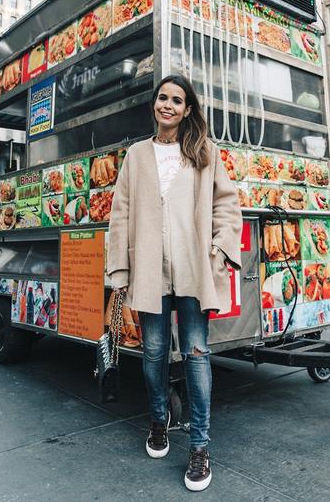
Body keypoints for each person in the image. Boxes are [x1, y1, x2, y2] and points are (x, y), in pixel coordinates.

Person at [107, 74, 243, 492]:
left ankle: (200, 447)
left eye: (177, 100)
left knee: (197, 353)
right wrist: (120, 272)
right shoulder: (136, 155)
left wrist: (220, 248)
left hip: (193, 269)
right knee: (152, 353)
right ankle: (159, 420)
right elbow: (120, 214)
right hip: (149, 270)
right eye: (162, 98)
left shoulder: (204, 152)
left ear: (187, 110)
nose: (168, 105)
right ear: (155, 105)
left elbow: (227, 204)